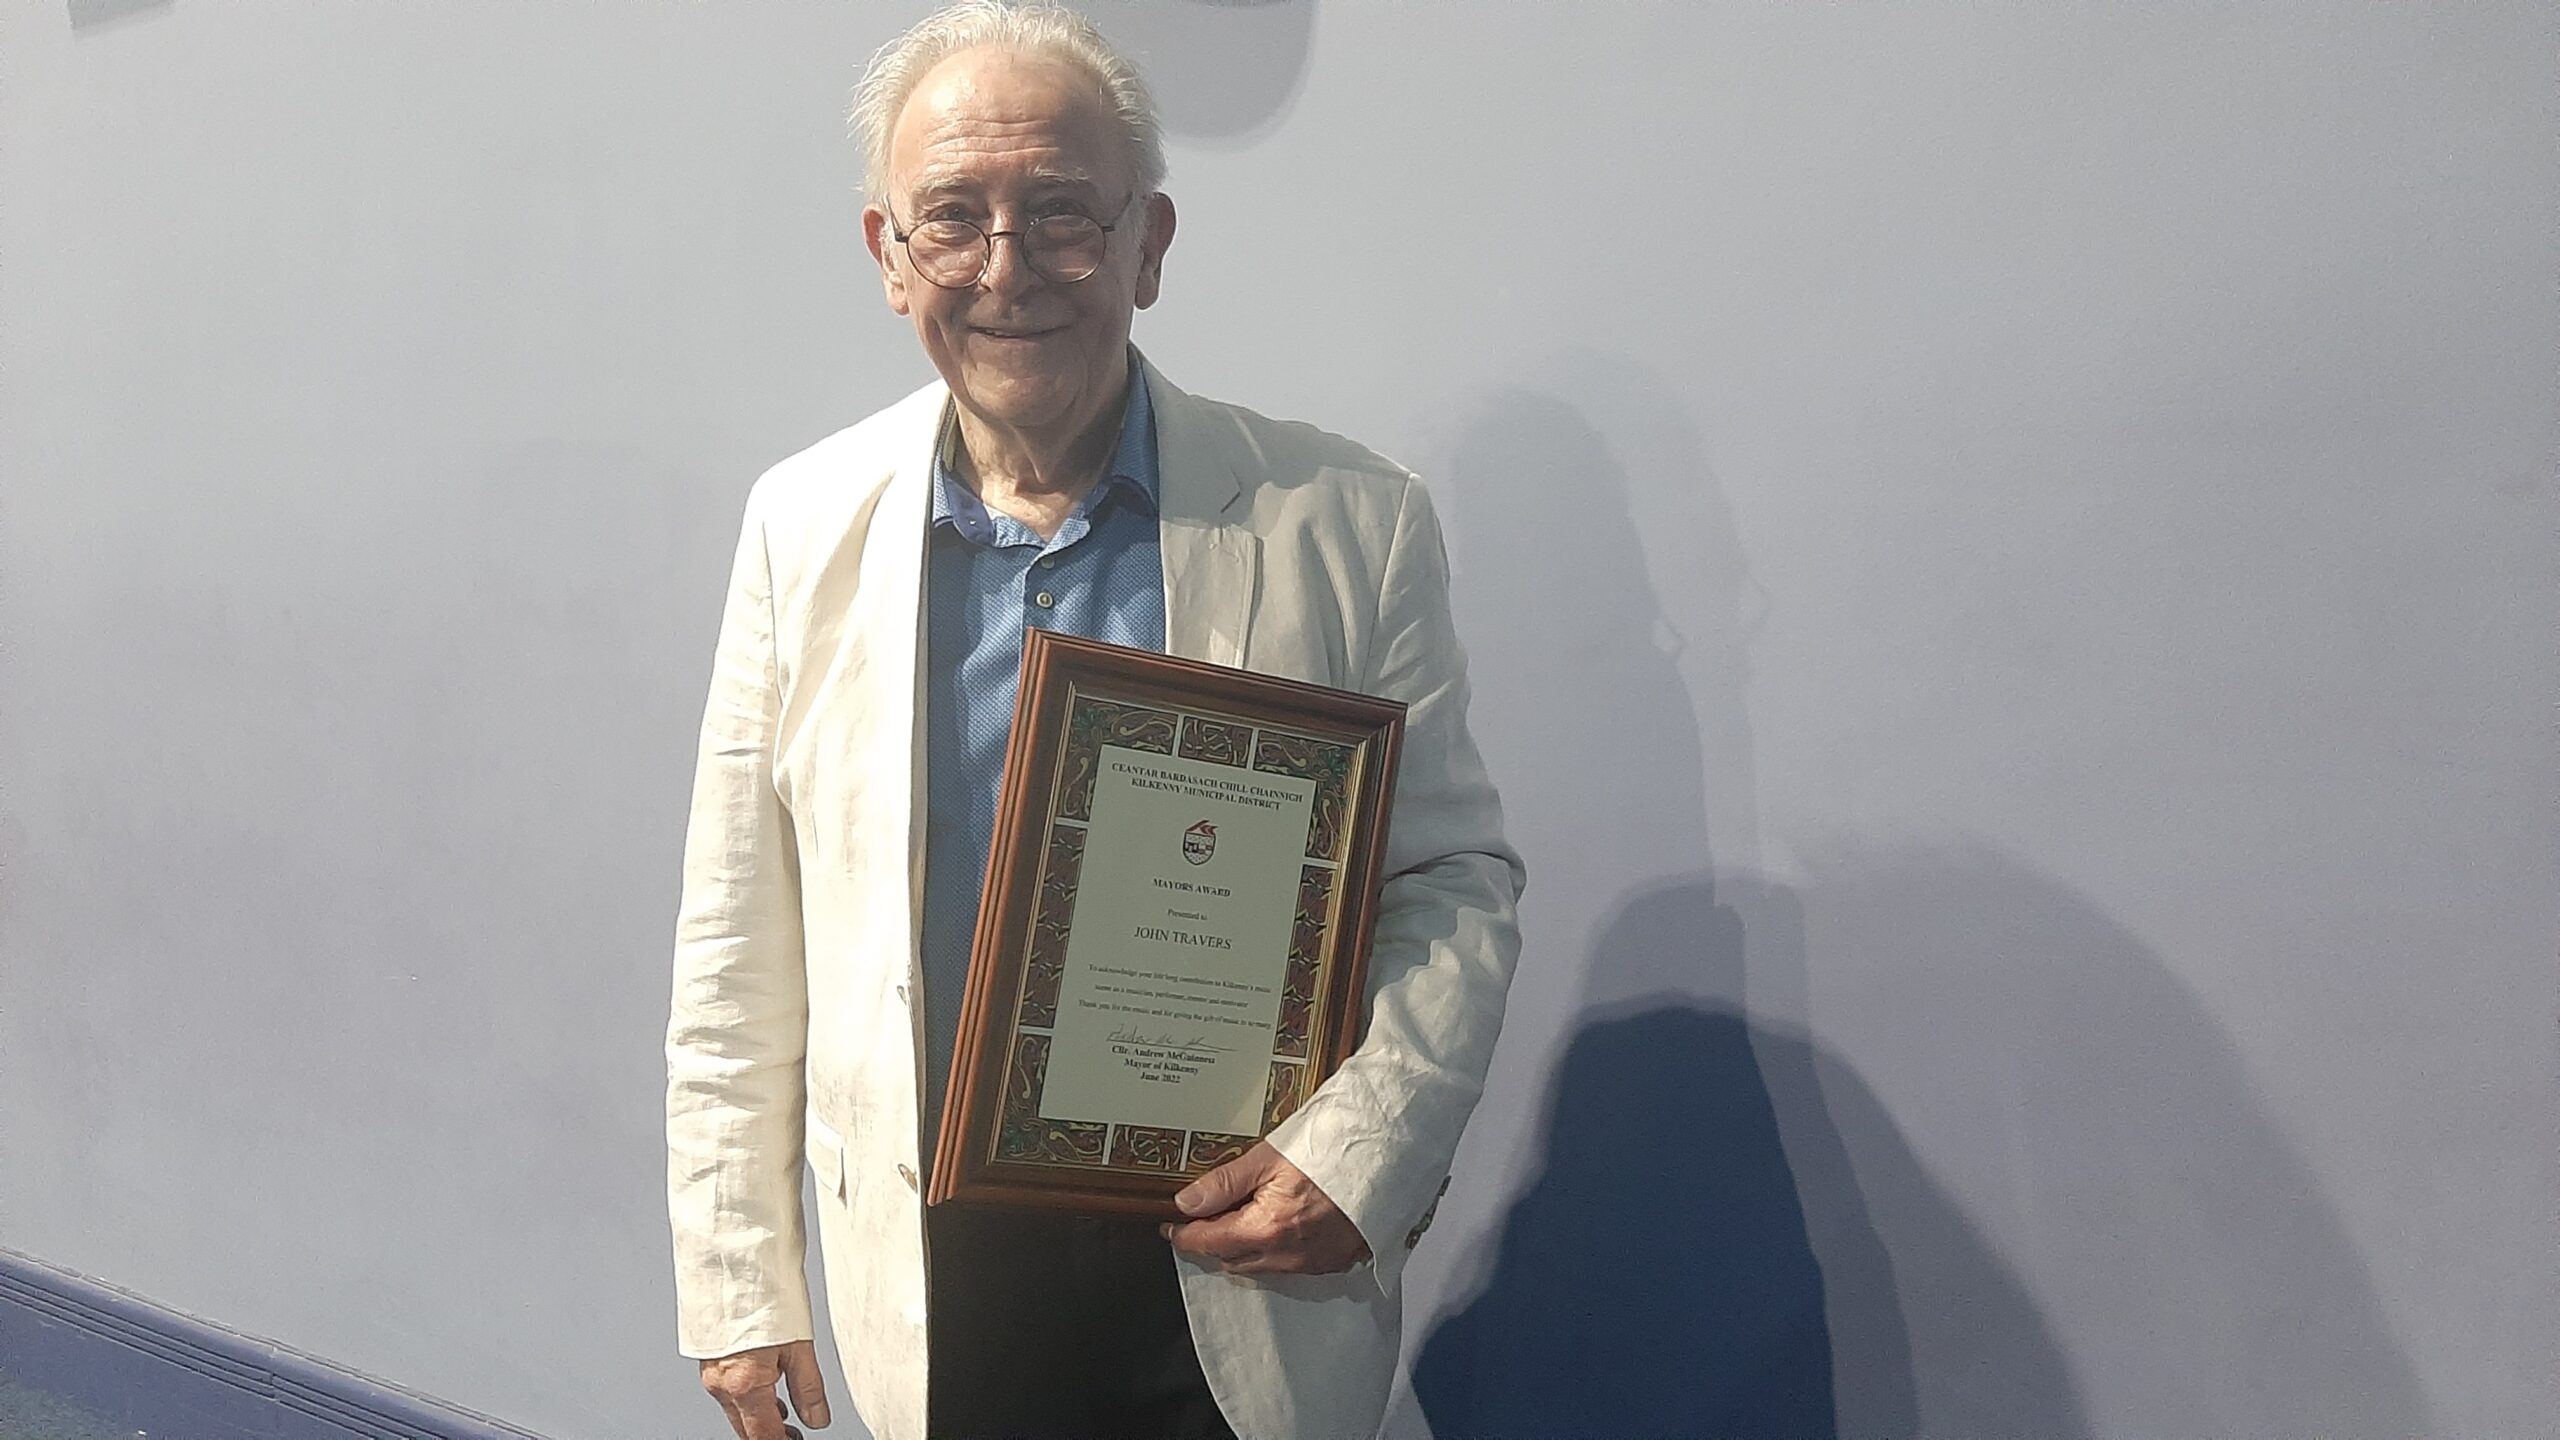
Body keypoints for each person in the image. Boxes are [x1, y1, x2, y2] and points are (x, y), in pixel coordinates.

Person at [665, 4, 1522, 1437]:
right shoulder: (800, 526)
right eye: (954, 218)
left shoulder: (1347, 524)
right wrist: (737, 1272)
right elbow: (738, 928)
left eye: (1063, 213)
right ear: (888, 254)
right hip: (929, 1268)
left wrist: (1364, 1150)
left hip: (1233, 1252)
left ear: (1149, 245)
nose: (1008, 269)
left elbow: (1448, 882)